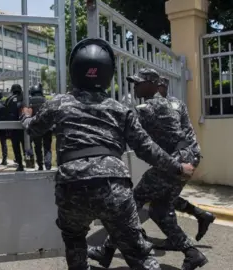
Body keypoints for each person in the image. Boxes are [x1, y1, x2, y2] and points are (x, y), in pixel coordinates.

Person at [20, 38, 195, 270]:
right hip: (114, 187)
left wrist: (25, 115)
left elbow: (33, 129)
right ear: (108, 74)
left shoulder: (59, 103)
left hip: (72, 186)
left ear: (75, 70)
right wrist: (178, 167)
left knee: (75, 242)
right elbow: (147, 148)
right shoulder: (120, 109)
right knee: (139, 254)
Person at [88, 68, 208, 270]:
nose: (135, 86)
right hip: (185, 158)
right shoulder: (169, 104)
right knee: (159, 211)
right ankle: (192, 253)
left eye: (139, 83)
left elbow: (121, 124)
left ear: (153, 84)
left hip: (173, 162)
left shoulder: (147, 107)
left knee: (130, 204)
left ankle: (106, 251)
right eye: (134, 83)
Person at [156, 76, 215, 246]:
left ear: (160, 88)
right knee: (167, 196)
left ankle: (178, 241)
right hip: (188, 154)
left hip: (181, 157)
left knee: (161, 202)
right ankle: (201, 215)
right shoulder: (176, 103)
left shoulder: (162, 106)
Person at [29, 84, 53, 170]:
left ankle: (40, 165)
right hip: (47, 127)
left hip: (36, 128)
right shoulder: (46, 100)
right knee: (47, 147)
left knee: (37, 147)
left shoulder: (29, 101)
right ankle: (48, 164)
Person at [5, 84, 27, 171]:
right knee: (26, 145)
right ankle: (29, 161)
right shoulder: (25, 98)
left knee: (16, 147)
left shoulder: (9, 100)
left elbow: (6, 114)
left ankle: (20, 164)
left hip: (13, 128)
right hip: (24, 126)